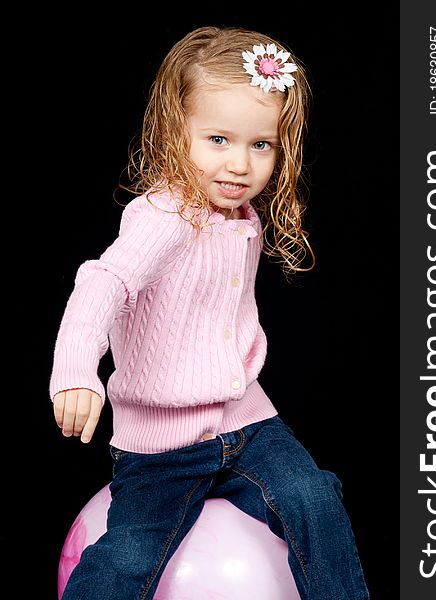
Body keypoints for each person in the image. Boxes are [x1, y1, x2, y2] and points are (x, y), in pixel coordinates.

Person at [51, 26, 370, 600]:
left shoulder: (245, 216)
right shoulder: (164, 216)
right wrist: (75, 371)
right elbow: (104, 283)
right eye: (218, 139)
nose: (239, 164)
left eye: (260, 144)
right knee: (126, 558)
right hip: (162, 445)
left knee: (315, 499)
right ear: (178, 131)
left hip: (249, 424)